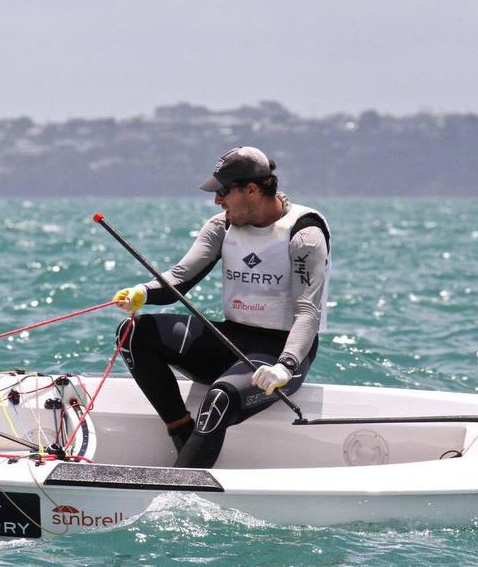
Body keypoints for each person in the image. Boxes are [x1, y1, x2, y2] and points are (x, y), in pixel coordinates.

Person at [112, 146, 330, 468]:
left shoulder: (304, 233)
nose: (217, 201)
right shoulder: (221, 226)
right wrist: (141, 292)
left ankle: (176, 494)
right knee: (133, 333)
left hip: (279, 354)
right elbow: (178, 280)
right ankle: (185, 436)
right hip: (232, 341)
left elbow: (307, 312)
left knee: (220, 398)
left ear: (252, 190)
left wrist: (284, 366)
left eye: (223, 192)